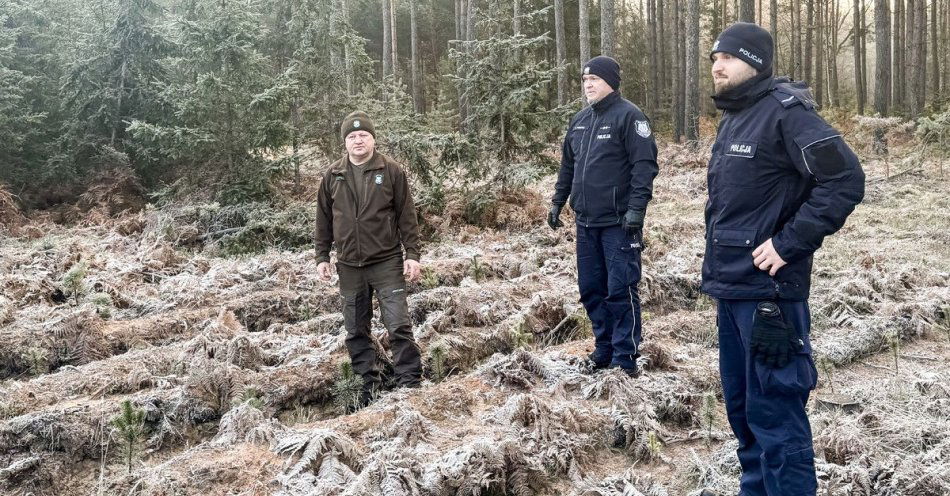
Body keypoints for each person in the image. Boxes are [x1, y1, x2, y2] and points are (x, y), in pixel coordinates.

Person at [701, 23, 865, 496]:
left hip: (769, 297)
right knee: (743, 413)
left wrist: (788, 244)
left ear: (753, 61)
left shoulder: (786, 113)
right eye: (714, 57)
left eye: (727, 57)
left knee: (776, 414)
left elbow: (845, 181)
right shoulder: (737, 116)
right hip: (732, 290)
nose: (717, 65)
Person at [549, 56, 659, 377]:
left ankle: (626, 355)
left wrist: (636, 209)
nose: (587, 86)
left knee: (620, 288)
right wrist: (558, 202)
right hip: (585, 223)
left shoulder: (630, 117)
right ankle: (605, 346)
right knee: (591, 288)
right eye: (584, 81)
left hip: (619, 225)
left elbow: (644, 167)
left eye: (593, 80)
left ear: (610, 81)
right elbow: (567, 166)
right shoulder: (580, 121)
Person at [315, 111, 423, 409]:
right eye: (352, 136)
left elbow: (407, 216)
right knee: (355, 331)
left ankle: (410, 386)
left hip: (386, 261)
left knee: (398, 325)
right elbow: (323, 219)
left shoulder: (390, 171)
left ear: (373, 139)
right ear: (345, 142)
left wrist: (412, 255)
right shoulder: (333, 175)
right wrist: (322, 256)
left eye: (363, 135)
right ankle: (368, 387)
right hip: (349, 265)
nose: (358, 140)